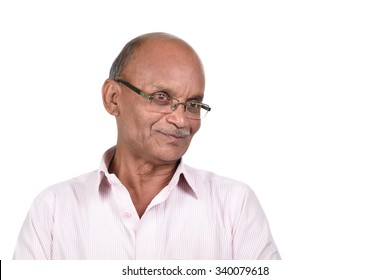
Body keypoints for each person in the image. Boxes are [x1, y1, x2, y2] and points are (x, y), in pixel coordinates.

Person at [13, 32, 280, 260]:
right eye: (161, 97)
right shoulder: (54, 209)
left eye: (194, 104)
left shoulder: (235, 206)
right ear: (113, 98)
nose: (180, 119)